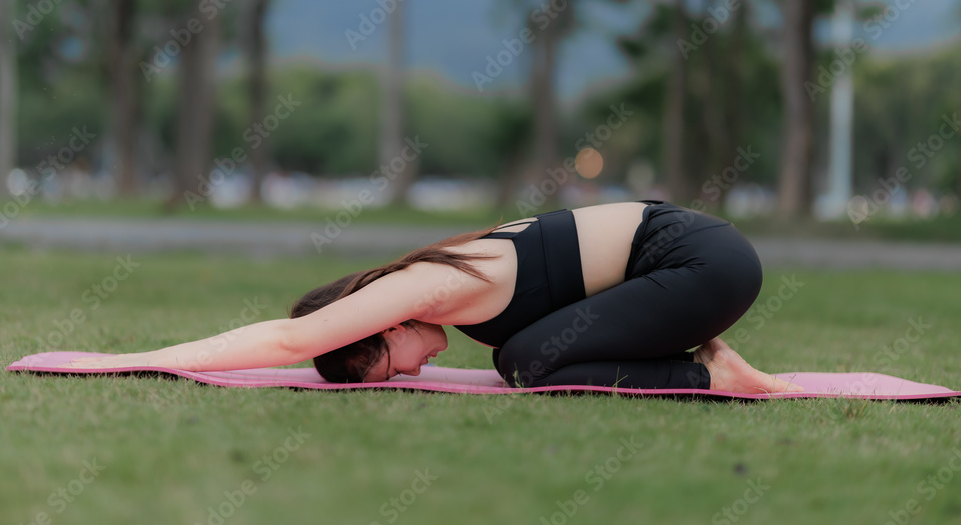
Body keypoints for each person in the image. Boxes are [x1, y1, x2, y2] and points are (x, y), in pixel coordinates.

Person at [66, 200, 802, 394]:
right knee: (524, 355)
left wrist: (141, 357)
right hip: (688, 261)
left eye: (391, 367)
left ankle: (711, 371)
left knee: (524, 363)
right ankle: (700, 353)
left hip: (704, 263)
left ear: (384, 324)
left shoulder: (423, 285)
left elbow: (291, 342)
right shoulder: (430, 283)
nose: (415, 373)